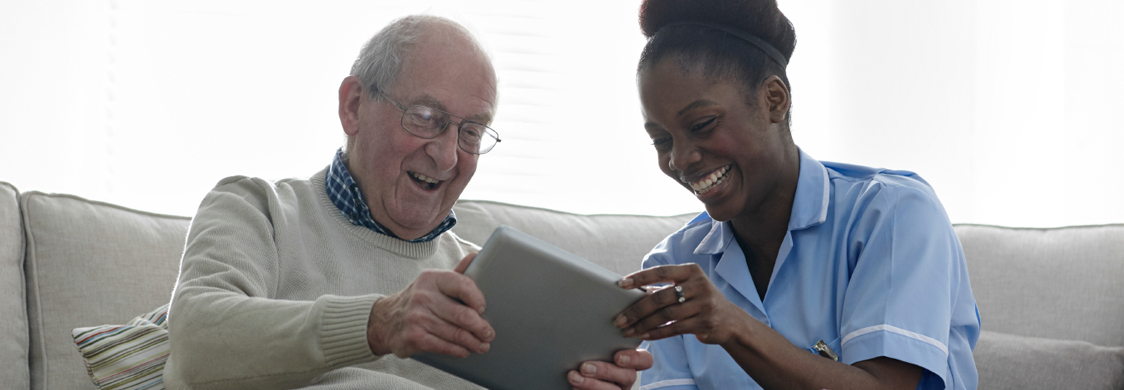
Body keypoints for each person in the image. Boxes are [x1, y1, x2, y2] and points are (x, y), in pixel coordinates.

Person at [163, 15, 650, 389]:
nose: (447, 155)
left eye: (471, 132)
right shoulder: (257, 209)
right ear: (354, 106)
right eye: (425, 116)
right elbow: (195, 347)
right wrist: (378, 324)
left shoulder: (489, 282)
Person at [612, 1, 980, 389]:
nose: (680, 158)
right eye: (661, 140)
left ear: (774, 99)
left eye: (702, 124)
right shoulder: (673, 264)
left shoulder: (892, 214)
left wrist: (734, 326)